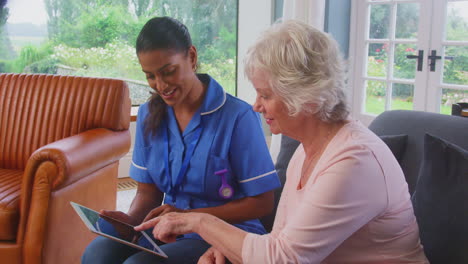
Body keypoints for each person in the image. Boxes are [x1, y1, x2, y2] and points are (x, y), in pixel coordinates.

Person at [135, 20, 429, 263]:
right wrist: (226, 249)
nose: (256, 106)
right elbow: (282, 241)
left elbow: (283, 259)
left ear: (306, 98)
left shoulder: (354, 161)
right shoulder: (307, 151)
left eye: (265, 95)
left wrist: (197, 221)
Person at [81, 16, 281, 264]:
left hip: (226, 232)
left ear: (192, 57)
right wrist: (131, 221)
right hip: (168, 229)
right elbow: (148, 193)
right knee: (96, 254)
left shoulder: (238, 117)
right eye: (150, 76)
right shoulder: (147, 115)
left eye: (168, 72)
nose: (160, 85)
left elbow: (262, 203)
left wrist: (188, 216)